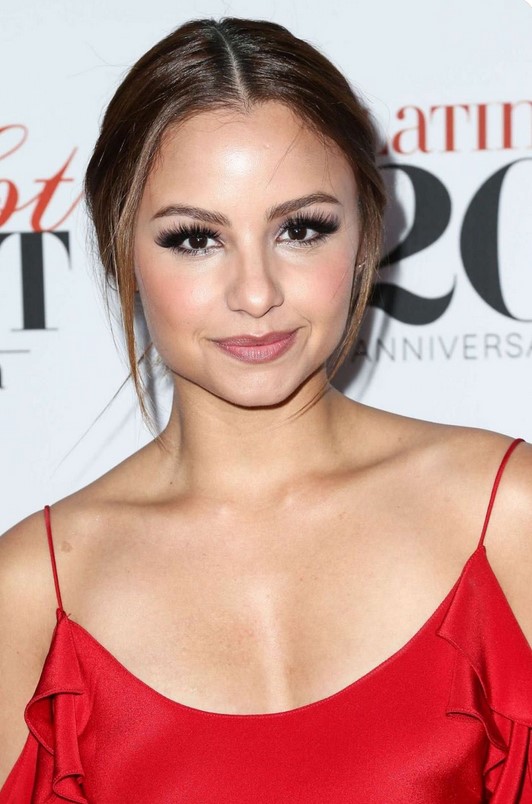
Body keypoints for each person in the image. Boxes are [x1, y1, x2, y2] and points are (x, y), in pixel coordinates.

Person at [1, 16, 531, 803]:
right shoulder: (31, 593)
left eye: (301, 229)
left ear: (365, 233)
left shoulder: (507, 515)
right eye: (195, 239)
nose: (256, 294)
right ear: (121, 251)